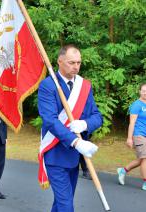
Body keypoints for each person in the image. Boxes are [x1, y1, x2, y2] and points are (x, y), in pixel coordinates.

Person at [38, 44, 103, 212]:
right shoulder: (48, 86)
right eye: (71, 62)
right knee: (66, 206)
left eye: (79, 63)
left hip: (74, 158)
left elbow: (97, 116)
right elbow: (50, 120)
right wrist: (75, 141)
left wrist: (85, 124)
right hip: (55, 154)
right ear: (60, 61)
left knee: (60, 204)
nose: (76, 67)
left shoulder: (84, 86)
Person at [117, 83, 146, 191]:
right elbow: (132, 123)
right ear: (140, 91)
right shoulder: (136, 105)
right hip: (139, 135)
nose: (145, 92)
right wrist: (129, 138)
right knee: (145, 158)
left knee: (141, 159)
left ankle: (123, 170)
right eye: (144, 90)